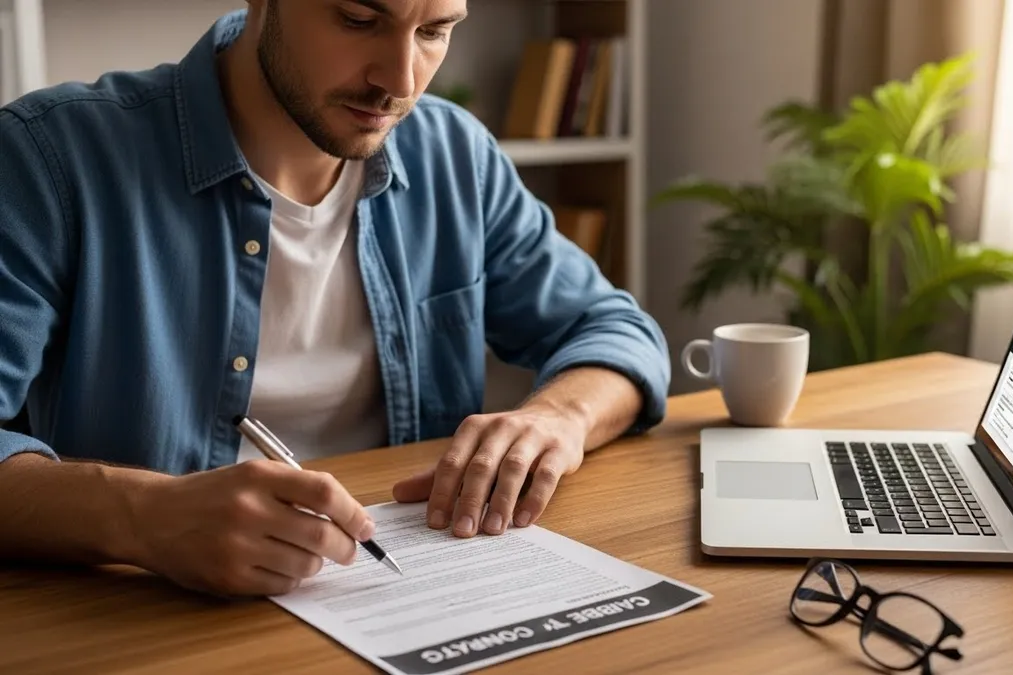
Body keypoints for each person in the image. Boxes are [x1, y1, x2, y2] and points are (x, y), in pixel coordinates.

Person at [0, 1, 669, 598]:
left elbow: (614, 329)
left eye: (434, 31)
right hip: (145, 617)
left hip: (406, 597)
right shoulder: (49, 159)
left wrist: (559, 418)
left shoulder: (453, 154)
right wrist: (144, 516)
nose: (400, 80)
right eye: (359, 19)